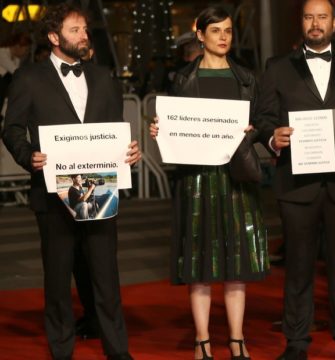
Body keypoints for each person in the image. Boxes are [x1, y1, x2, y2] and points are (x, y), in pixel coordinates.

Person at [1, 4, 140, 359]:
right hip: (51, 189)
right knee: (59, 278)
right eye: (75, 29)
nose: (84, 35)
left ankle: (118, 351)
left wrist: (130, 152)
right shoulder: (29, 78)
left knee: (106, 277)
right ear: (54, 37)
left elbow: (114, 133)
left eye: (85, 29)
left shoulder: (104, 78)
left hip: (101, 185)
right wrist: (27, 154)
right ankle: (61, 350)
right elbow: (12, 128)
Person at [253, 1, 335, 359]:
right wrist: (271, 137)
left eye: (322, 17)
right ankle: (296, 342)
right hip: (297, 184)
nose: (315, 24)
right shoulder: (277, 67)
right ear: (302, 22)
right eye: (309, 17)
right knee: (298, 266)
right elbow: (263, 118)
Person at [148, 7, 268, 360]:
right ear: (200, 35)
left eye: (228, 31)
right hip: (196, 178)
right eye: (215, 31)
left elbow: (262, 120)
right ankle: (202, 340)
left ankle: (236, 339)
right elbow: (175, 127)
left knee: (236, 262)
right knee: (198, 260)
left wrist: (254, 130)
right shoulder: (181, 79)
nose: (223, 37)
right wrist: (160, 131)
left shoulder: (246, 78)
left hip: (235, 177)